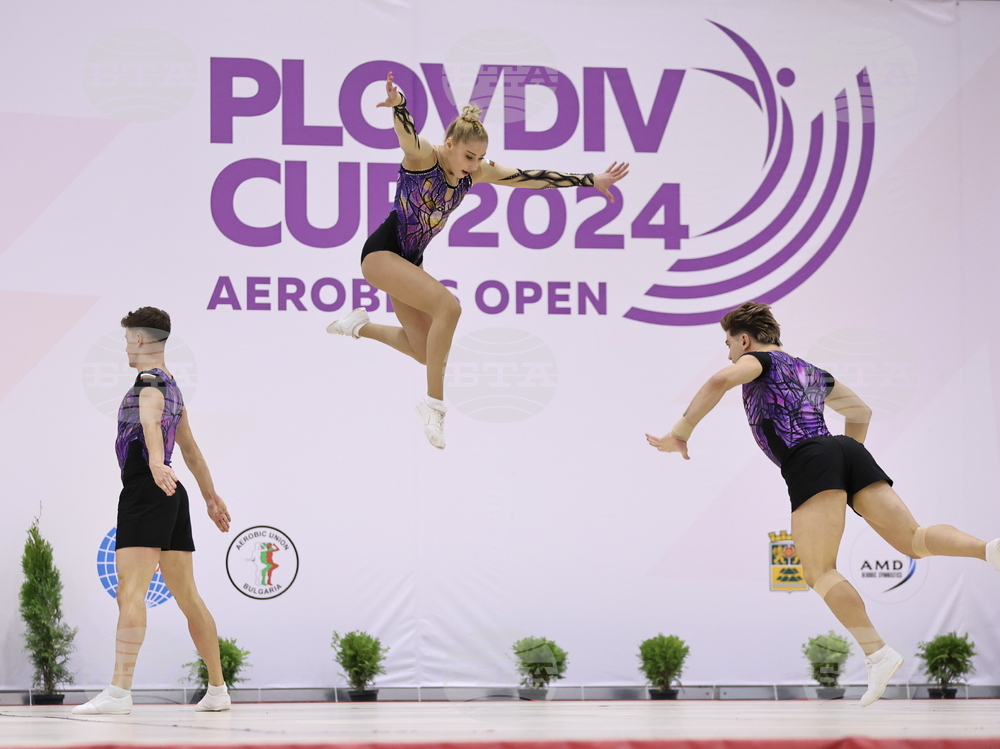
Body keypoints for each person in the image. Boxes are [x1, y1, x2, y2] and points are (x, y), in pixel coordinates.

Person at [646, 301, 1000, 707]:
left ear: (744, 339)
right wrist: (845, 466)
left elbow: (719, 380)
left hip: (810, 457)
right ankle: (989, 549)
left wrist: (680, 433)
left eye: (728, 343)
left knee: (818, 571)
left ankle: (878, 653)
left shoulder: (756, 360)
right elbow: (860, 411)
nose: (728, 352)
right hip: (845, 450)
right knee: (914, 539)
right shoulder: (809, 370)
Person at [327, 71, 629, 449]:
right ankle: (433, 405)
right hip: (381, 254)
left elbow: (530, 178)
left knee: (425, 352)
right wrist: (399, 106)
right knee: (448, 309)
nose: (474, 164)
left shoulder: (475, 174)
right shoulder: (424, 158)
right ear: (449, 144)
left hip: (410, 262)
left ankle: (358, 326)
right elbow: (408, 135)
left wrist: (590, 180)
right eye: (469, 156)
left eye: (480, 158)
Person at [73, 307, 233, 715]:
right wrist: (210, 497)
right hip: (173, 493)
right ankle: (218, 690)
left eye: (128, 339)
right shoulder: (174, 386)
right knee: (188, 597)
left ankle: (119, 692)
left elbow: (148, 416)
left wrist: (157, 461)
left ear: (141, 339)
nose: (126, 346)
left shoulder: (148, 382)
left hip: (148, 489)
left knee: (130, 592)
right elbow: (192, 450)